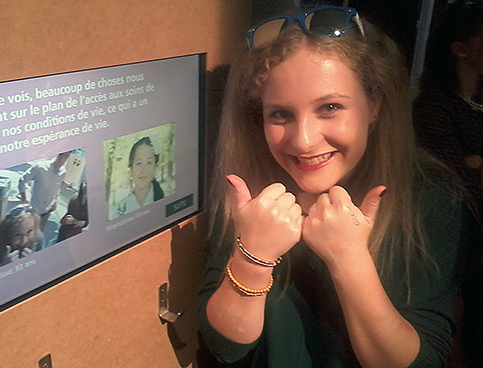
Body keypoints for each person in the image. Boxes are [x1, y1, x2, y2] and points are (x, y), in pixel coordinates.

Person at [198, 6, 473, 368]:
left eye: (329, 107)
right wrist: (254, 256)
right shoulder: (251, 192)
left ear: (373, 105)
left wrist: (348, 257)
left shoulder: (431, 196)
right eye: (280, 114)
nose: (304, 141)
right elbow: (225, 346)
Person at [412, 2, 483, 367]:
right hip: (464, 237)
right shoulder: (433, 106)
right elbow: (452, 176)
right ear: (460, 48)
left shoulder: (478, 104)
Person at [18, 151, 70, 230]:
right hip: (32, 211)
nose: (62, 158)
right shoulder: (40, 167)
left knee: (39, 233)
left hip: (46, 212)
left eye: (66, 156)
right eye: (61, 155)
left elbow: (57, 187)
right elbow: (22, 180)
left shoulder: (63, 171)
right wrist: (24, 198)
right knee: (28, 234)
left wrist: (55, 200)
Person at [114, 137, 164, 217]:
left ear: (156, 166)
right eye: (139, 163)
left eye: (149, 162)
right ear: (131, 170)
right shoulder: (120, 208)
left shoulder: (164, 198)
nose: (143, 170)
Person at [0, 204, 44, 270]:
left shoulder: (38, 238)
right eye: (18, 234)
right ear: (7, 234)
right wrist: (4, 266)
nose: (24, 241)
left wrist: (34, 262)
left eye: (29, 232)